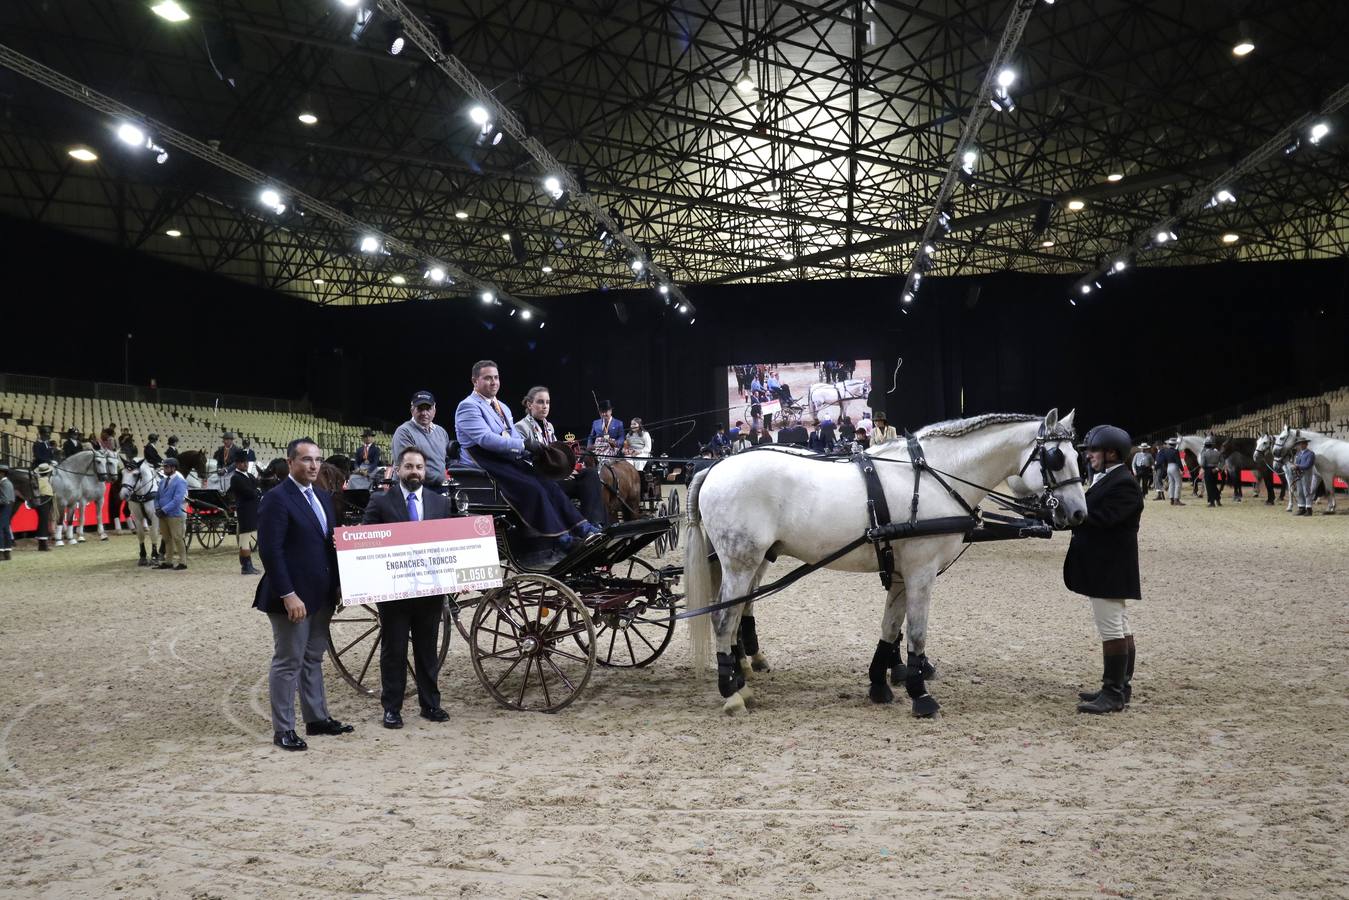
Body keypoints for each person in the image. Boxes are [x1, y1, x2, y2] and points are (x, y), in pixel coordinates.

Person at [252, 437, 353, 751]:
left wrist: (337, 585)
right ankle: (283, 729)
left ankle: (317, 718)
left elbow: (327, 547)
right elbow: (271, 551)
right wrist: (288, 594)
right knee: (288, 661)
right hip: (291, 597)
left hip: (321, 594)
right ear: (291, 461)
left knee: (312, 658)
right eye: (307, 459)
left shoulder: (323, 498)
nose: (313, 465)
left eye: (317, 460)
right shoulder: (276, 499)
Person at [455, 360, 602, 565]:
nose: (493, 382)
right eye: (487, 378)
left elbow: (513, 438)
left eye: (496, 377)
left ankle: (584, 528)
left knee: (548, 484)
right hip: (486, 463)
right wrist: (525, 445)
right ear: (474, 381)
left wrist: (535, 453)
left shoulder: (502, 407)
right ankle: (562, 540)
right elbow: (485, 440)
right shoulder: (467, 406)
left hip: (507, 460)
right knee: (535, 489)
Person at [360, 446, 451, 729]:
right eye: (409, 467)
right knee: (394, 650)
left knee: (427, 650)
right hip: (394, 593)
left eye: (419, 467)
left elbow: (450, 545)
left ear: (425, 471)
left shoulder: (440, 503)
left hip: (429, 591)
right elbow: (365, 540)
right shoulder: (381, 502)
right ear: (398, 470)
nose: (415, 472)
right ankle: (392, 708)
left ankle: (430, 705)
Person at [1063, 425, 1143, 715]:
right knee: (1120, 625)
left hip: (1109, 567)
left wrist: (1071, 516)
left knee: (1111, 627)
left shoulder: (1124, 483)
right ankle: (1122, 685)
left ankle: (1112, 693)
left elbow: (1102, 519)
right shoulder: (1109, 478)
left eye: (1093, 451)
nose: (1089, 456)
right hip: (1107, 565)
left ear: (1111, 453)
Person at [514, 385, 607, 527]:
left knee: (591, 474)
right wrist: (558, 473)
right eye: (540, 402)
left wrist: (566, 469)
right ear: (529, 404)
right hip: (540, 479)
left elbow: (556, 454)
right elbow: (523, 460)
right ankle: (581, 527)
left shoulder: (549, 426)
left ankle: (593, 524)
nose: (545, 406)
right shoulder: (520, 427)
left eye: (547, 402)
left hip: (556, 476)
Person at [392, 391, 451, 492]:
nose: (424, 413)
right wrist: (443, 480)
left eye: (428, 409)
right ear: (412, 410)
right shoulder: (404, 432)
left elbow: (447, 461)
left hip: (439, 487)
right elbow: (409, 466)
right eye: (420, 409)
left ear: (434, 410)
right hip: (412, 488)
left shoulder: (441, 432)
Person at [226, 449, 261, 575]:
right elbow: (250, 492)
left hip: (252, 510)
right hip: (245, 511)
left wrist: (256, 490)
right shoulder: (236, 478)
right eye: (242, 463)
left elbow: (258, 486)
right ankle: (246, 565)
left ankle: (246, 564)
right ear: (237, 464)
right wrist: (256, 491)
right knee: (245, 539)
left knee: (246, 539)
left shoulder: (249, 476)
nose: (245, 465)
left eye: (246, 462)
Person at [154, 458, 189, 570]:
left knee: (177, 537)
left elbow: (177, 500)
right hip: (162, 514)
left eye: (167, 467)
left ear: (173, 468)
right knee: (166, 538)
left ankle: (183, 562)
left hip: (174, 514)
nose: (164, 469)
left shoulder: (180, 481)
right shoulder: (163, 481)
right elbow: (157, 497)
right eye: (164, 467)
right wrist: (157, 507)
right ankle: (168, 561)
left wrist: (164, 509)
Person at [1156, 437, 1184, 506]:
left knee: (1171, 483)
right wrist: (1182, 469)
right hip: (1174, 466)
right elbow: (1178, 461)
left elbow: (1163, 461)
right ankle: (1176, 499)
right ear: (1174, 444)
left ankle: (1171, 499)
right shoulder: (1175, 451)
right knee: (1178, 483)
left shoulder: (1166, 451)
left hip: (1169, 466)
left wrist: (1166, 467)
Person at [1292, 436, 1316, 516]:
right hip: (1299, 475)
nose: (1301, 445)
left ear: (1306, 444)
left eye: (1302, 444)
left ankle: (1309, 509)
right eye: (1300, 444)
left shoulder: (1310, 454)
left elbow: (1307, 465)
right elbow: (1295, 463)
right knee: (1299, 491)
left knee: (1306, 491)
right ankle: (1301, 507)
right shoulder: (1298, 454)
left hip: (1306, 474)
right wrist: (1294, 468)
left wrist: (1297, 466)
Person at [1199, 438, 1224, 508]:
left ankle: (1212, 502)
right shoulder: (1218, 453)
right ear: (1212, 446)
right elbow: (1222, 462)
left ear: (1205, 446)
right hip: (1215, 470)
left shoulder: (1204, 453)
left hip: (1207, 470)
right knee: (1214, 485)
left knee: (1209, 486)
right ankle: (1218, 500)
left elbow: (1202, 464)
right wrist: (1217, 468)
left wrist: (1202, 468)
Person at [0, 463, 13, 562]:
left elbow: (4, 500)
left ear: (2, 473)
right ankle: (7, 552)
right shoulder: (8, 483)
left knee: (1, 530)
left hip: (3, 508)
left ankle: (1, 552)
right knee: (5, 530)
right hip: (7, 509)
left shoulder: (4, 484)